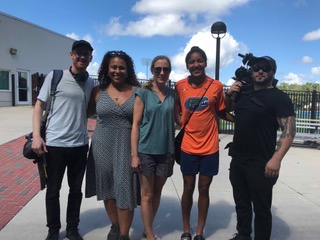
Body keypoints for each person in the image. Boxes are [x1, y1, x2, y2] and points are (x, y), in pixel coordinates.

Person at [225, 56, 296, 240]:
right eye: (256, 67)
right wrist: (228, 94)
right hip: (239, 159)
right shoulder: (243, 93)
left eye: (265, 67)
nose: (260, 71)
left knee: (262, 209)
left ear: (273, 72)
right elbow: (226, 109)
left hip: (262, 163)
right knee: (241, 203)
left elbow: (289, 131)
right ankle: (243, 235)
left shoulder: (279, 98)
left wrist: (276, 159)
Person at [32, 40, 94, 240]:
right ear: (71, 55)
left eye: (86, 54)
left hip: (79, 145)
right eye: (79, 53)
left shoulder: (91, 83)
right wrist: (37, 136)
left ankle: (72, 228)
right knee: (53, 190)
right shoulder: (55, 76)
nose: (82, 57)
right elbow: (39, 107)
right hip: (55, 145)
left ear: (91, 58)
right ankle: (53, 230)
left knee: (76, 190)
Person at [175, 46, 234, 240]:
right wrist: (180, 122)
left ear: (205, 63)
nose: (196, 64)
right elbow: (176, 107)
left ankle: (199, 231)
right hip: (188, 147)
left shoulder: (216, 86)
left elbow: (221, 111)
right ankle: (186, 229)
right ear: (187, 65)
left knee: (203, 189)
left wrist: (241, 121)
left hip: (209, 147)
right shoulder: (180, 85)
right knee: (188, 188)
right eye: (192, 62)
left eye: (199, 60)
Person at [85, 50, 141, 240]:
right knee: (107, 188)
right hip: (102, 144)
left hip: (127, 145)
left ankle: (124, 235)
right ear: (107, 70)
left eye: (121, 67)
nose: (117, 70)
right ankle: (115, 225)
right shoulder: (98, 92)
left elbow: (143, 121)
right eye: (113, 67)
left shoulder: (137, 91)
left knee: (126, 189)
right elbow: (86, 114)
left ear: (128, 70)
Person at [131, 55, 176, 240]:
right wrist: (134, 155)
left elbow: (180, 119)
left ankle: (147, 227)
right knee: (147, 194)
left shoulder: (173, 94)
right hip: (146, 150)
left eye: (165, 69)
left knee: (157, 192)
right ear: (152, 71)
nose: (162, 72)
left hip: (166, 151)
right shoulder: (143, 92)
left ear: (170, 71)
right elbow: (135, 124)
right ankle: (150, 234)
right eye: (158, 69)